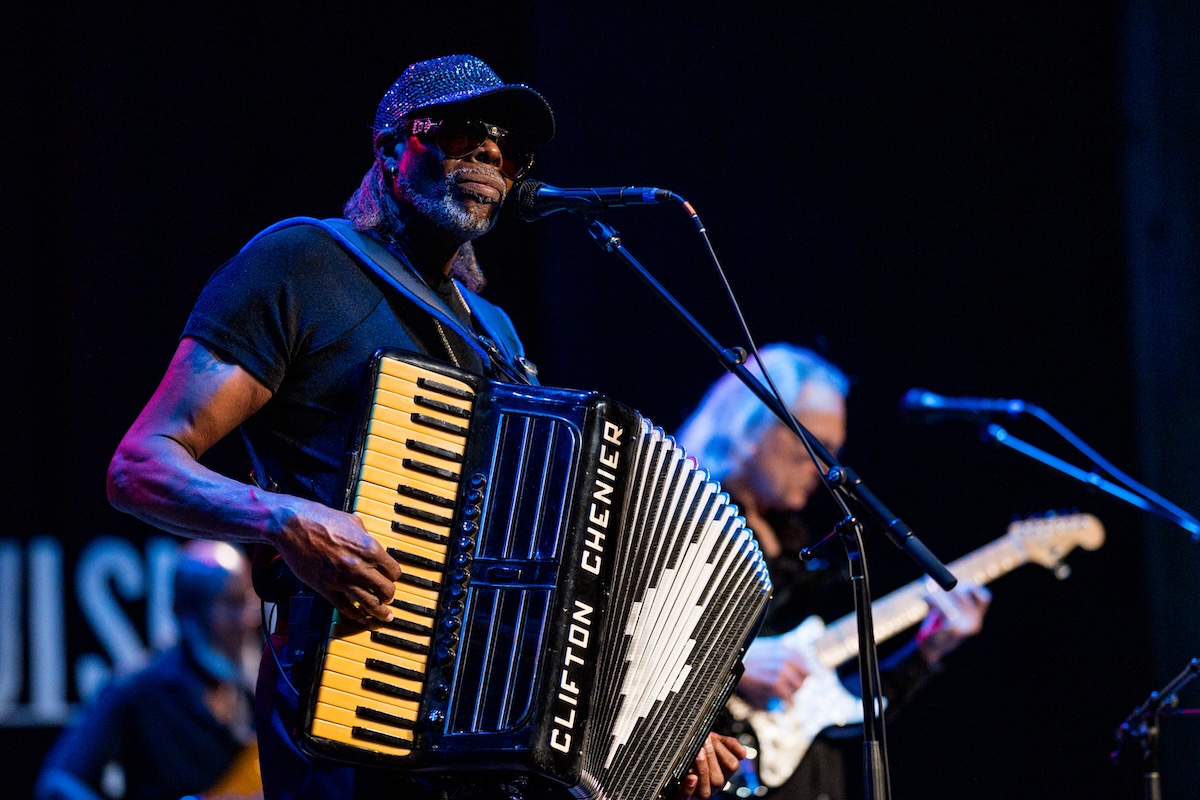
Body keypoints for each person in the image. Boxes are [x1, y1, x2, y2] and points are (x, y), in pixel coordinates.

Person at [105, 54, 742, 800]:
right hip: (352, 712)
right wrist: (284, 518)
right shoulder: (300, 262)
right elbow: (140, 465)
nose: (492, 153)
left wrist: (653, 721)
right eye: (466, 130)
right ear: (389, 145)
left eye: (510, 147)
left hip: (485, 743)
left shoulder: (496, 333)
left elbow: (558, 572)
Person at [676, 343, 992, 800]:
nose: (824, 467)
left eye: (833, 450)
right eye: (810, 446)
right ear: (749, 430)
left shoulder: (800, 546)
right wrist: (732, 667)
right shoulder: (683, 520)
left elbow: (835, 709)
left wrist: (928, 651)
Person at [35, 540, 261, 800]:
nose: (246, 619)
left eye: (248, 602)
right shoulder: (138, 686)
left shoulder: (253, 685)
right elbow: (59, 782)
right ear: (188, 611)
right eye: (231, 604)